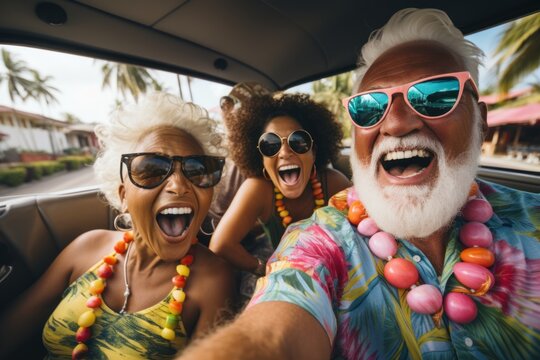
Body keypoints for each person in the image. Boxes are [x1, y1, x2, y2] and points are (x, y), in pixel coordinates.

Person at [178, 8, 540, 359]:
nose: (396, 123)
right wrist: (264, 269)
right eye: (370, 107)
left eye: (435, 96)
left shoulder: (332, 182)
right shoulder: (318, 236)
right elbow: (273, 329)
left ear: (480, 119)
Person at [0, 93, 235, 359]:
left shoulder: (214, 279)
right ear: (123, 196)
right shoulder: (87, 247)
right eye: (153, 169)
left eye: (196, 169)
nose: (179, 186)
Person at [209, 93, 351, 299]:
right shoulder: (258, 189)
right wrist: (263, 268)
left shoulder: (333, 183)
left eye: (298, 141)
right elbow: (220, 244)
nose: (284, 152)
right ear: (261, 158)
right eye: (270, 145)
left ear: (314, 151)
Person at [199, 82, 271, 245]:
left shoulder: (266, 155)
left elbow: (267, 215)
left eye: (234, 104)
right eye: (224, 103)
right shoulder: (210, 146)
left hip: (233, 238)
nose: (227, 110)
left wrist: (232, 228)